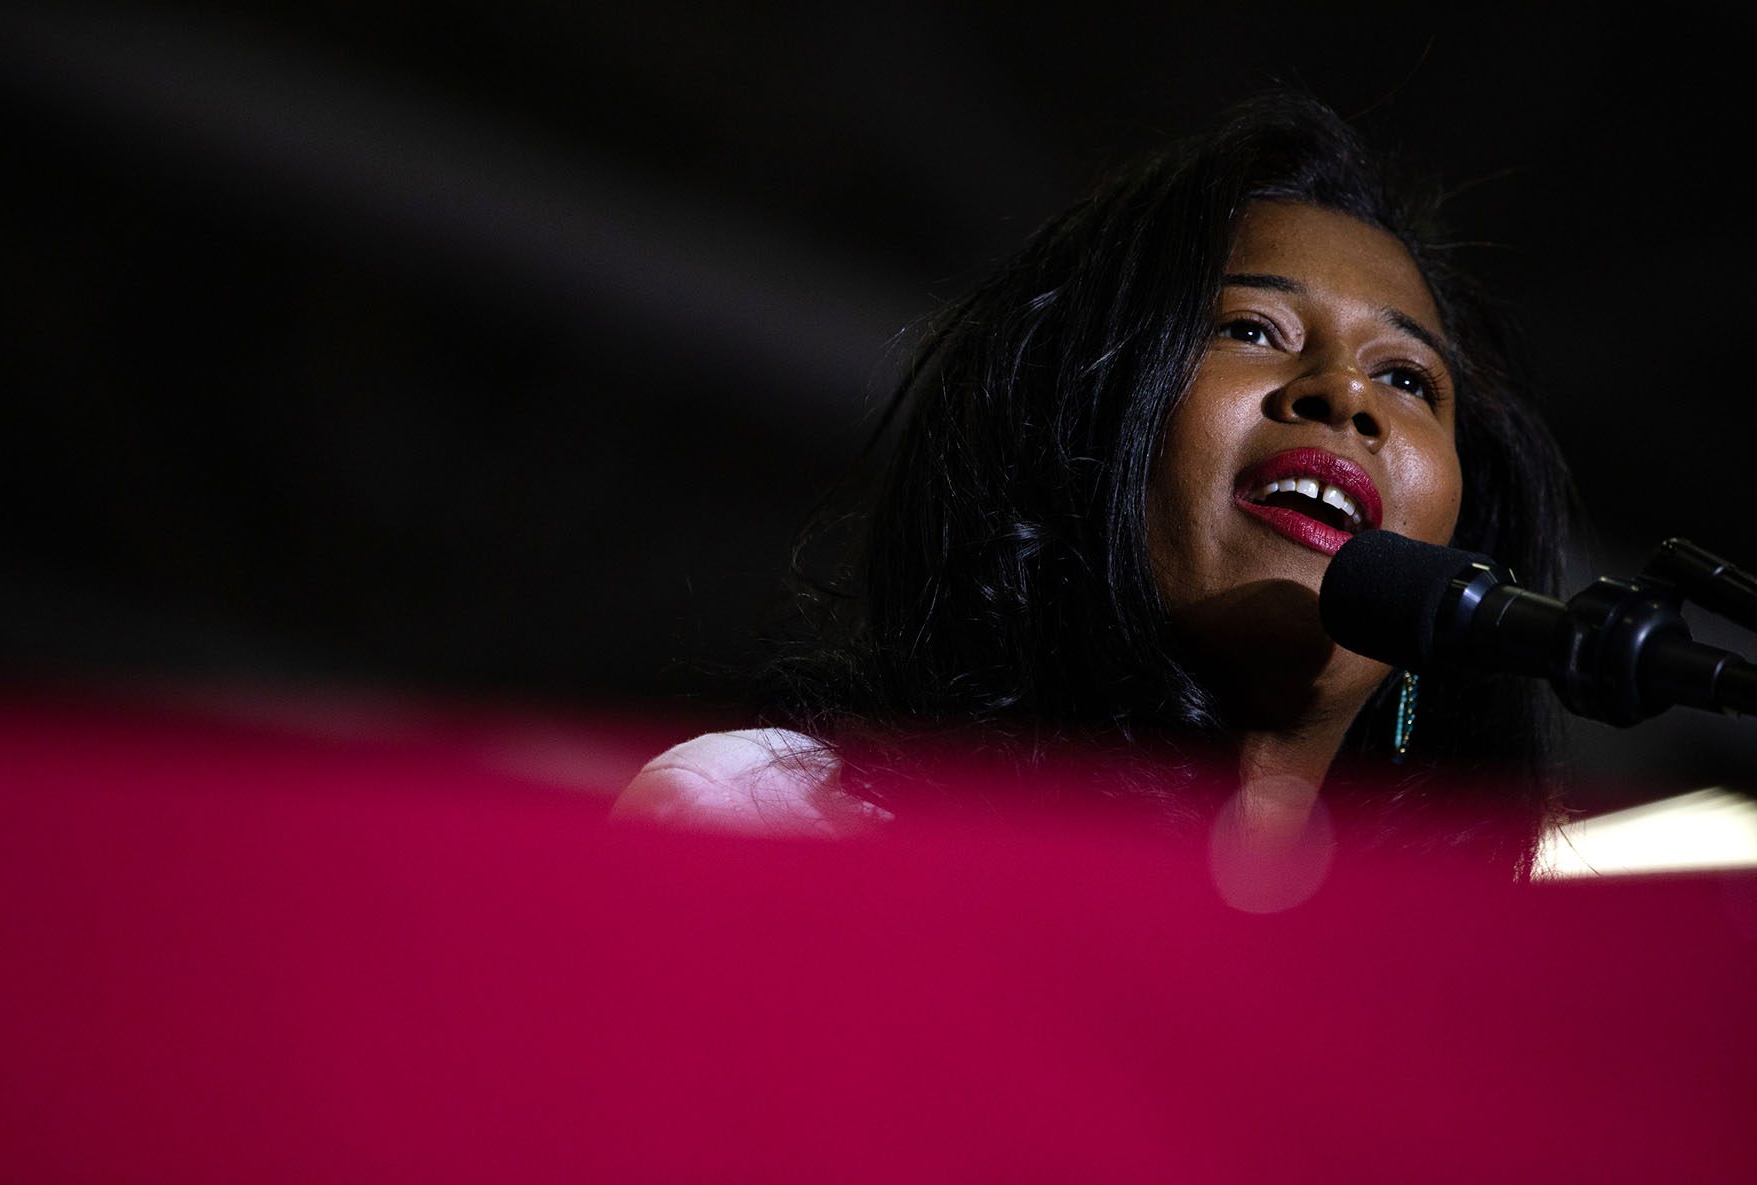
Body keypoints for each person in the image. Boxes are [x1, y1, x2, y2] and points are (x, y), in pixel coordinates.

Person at [616, 93, 1573, 877]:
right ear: (1084, 430)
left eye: (1409, 380)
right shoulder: (776, 821)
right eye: (1250, 329)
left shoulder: (1450, 1004)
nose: (1347, 396)